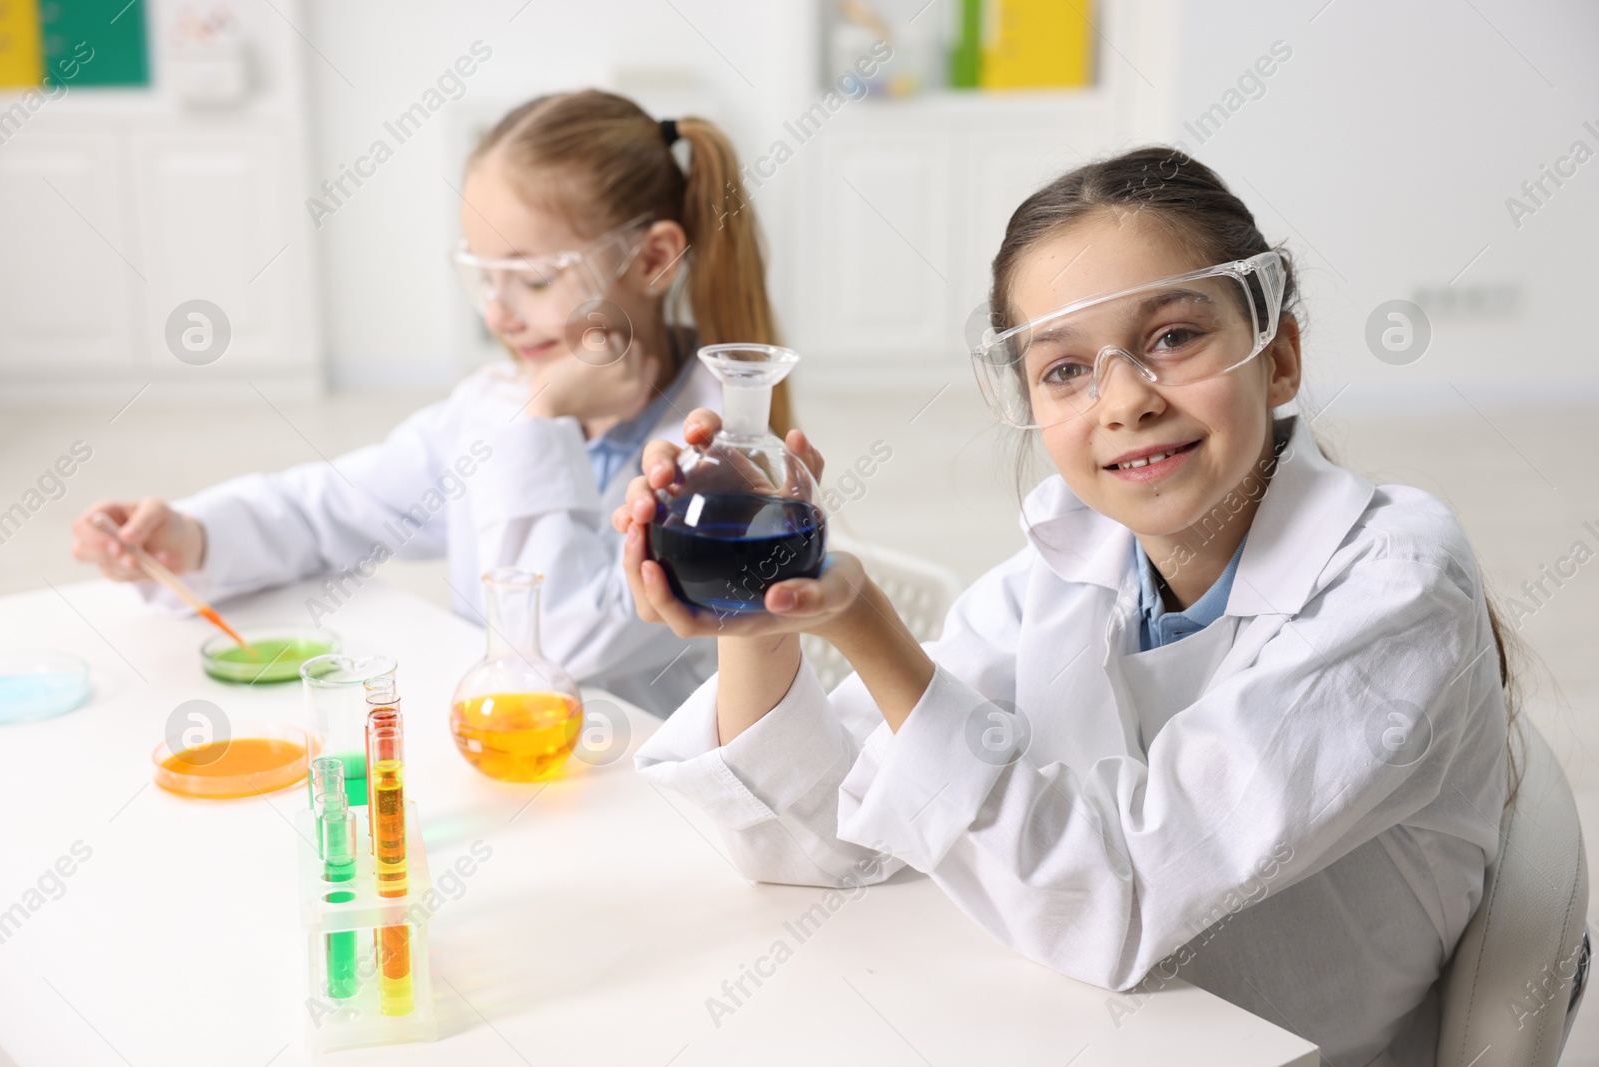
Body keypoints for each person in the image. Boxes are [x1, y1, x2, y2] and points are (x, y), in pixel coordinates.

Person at [612, 147, 1520, 1063]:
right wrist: (764, 621)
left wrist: (868, 630)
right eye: (1065, 370)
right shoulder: (1069, 565)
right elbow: (824, 838)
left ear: (1277, 356)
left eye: (1173, 337)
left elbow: (1116, 904)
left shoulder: (1396, 580)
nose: (1124, 399)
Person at [70, 89, 789, 715]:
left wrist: (541, 415)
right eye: (482, 276)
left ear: (655, 258)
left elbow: (553, 647)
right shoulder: (488, 408)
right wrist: (194, 535)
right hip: (504, 765)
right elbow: (330, 510)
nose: (496, 314)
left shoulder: (716, 463)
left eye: (533, 280)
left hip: (646, 781)